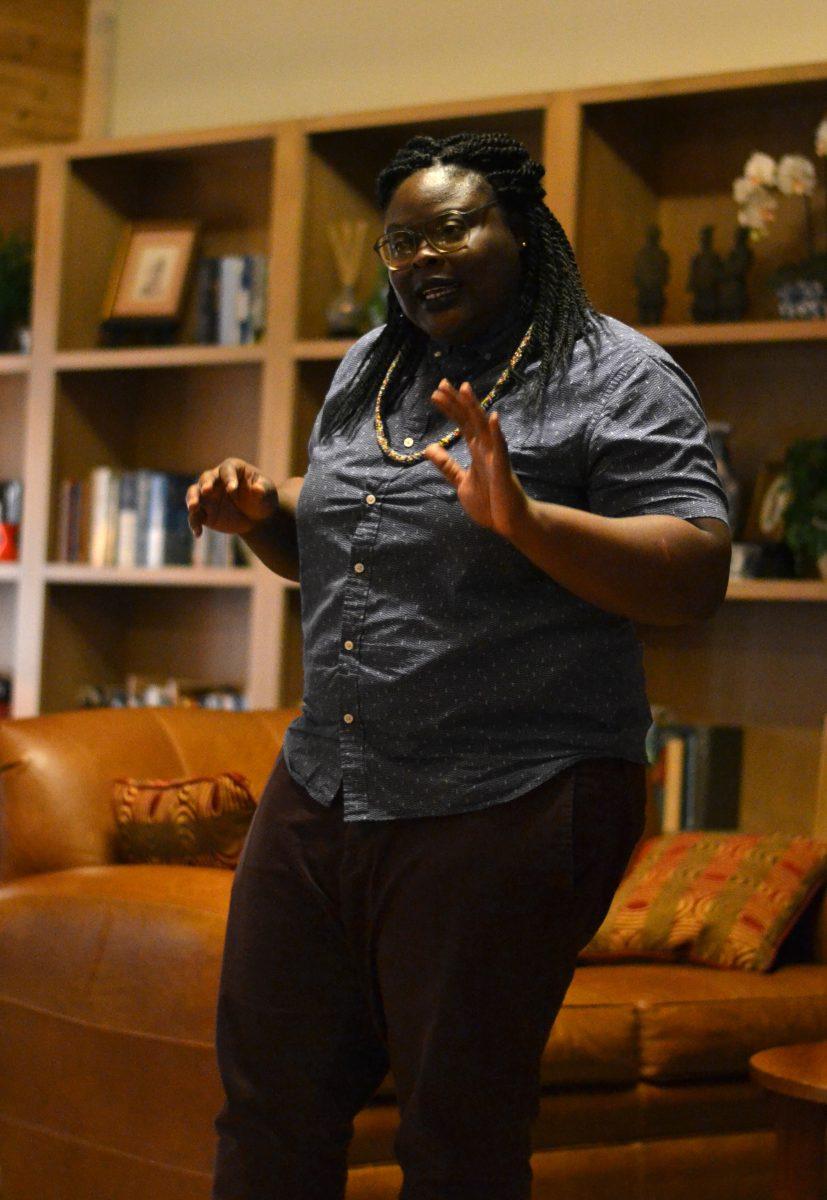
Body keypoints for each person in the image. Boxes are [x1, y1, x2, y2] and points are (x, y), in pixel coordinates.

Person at [187, 131, 732, 1200]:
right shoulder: (371, 364)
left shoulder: (616, 374)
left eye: (449, 229)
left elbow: (691, 573)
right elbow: (346, 542)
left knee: (454, 1135)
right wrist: (262, 516)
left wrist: (527, 522)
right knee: (266, 1107)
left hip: (510, 795)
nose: (420, 259)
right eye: (399, 242)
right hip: (327, 786)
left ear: (520, 229)